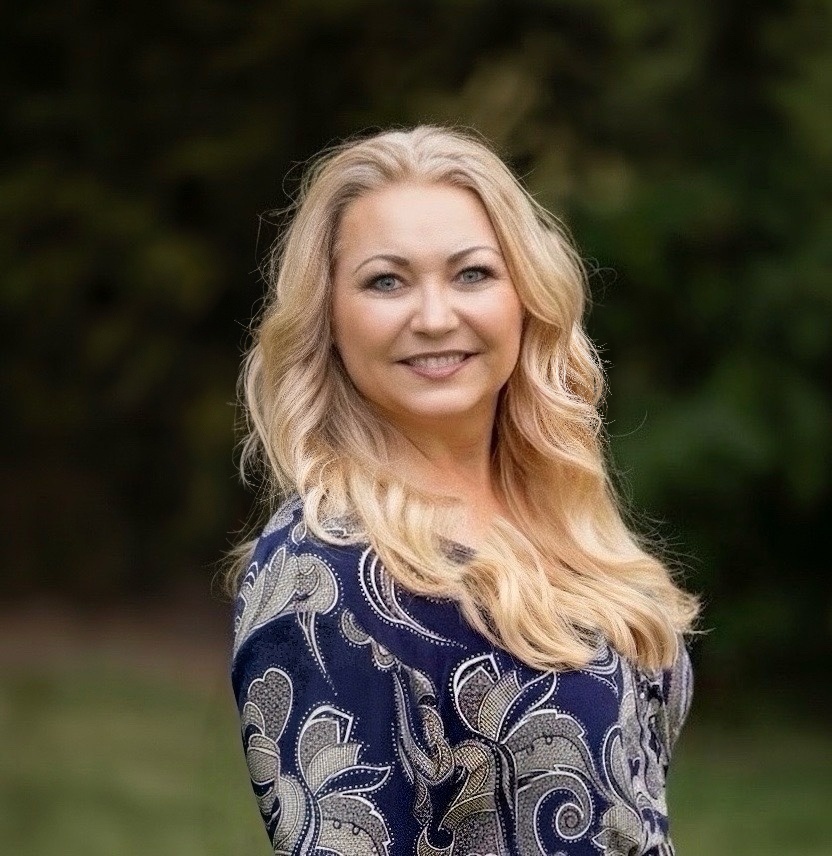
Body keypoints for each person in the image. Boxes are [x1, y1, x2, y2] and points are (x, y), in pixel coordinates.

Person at [228, 125, 699, 856]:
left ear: (525, 296)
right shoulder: (319, 573)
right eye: (387, 280)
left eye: (472, 273)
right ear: (329, 317)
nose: (436, 317)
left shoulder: (558, 516)